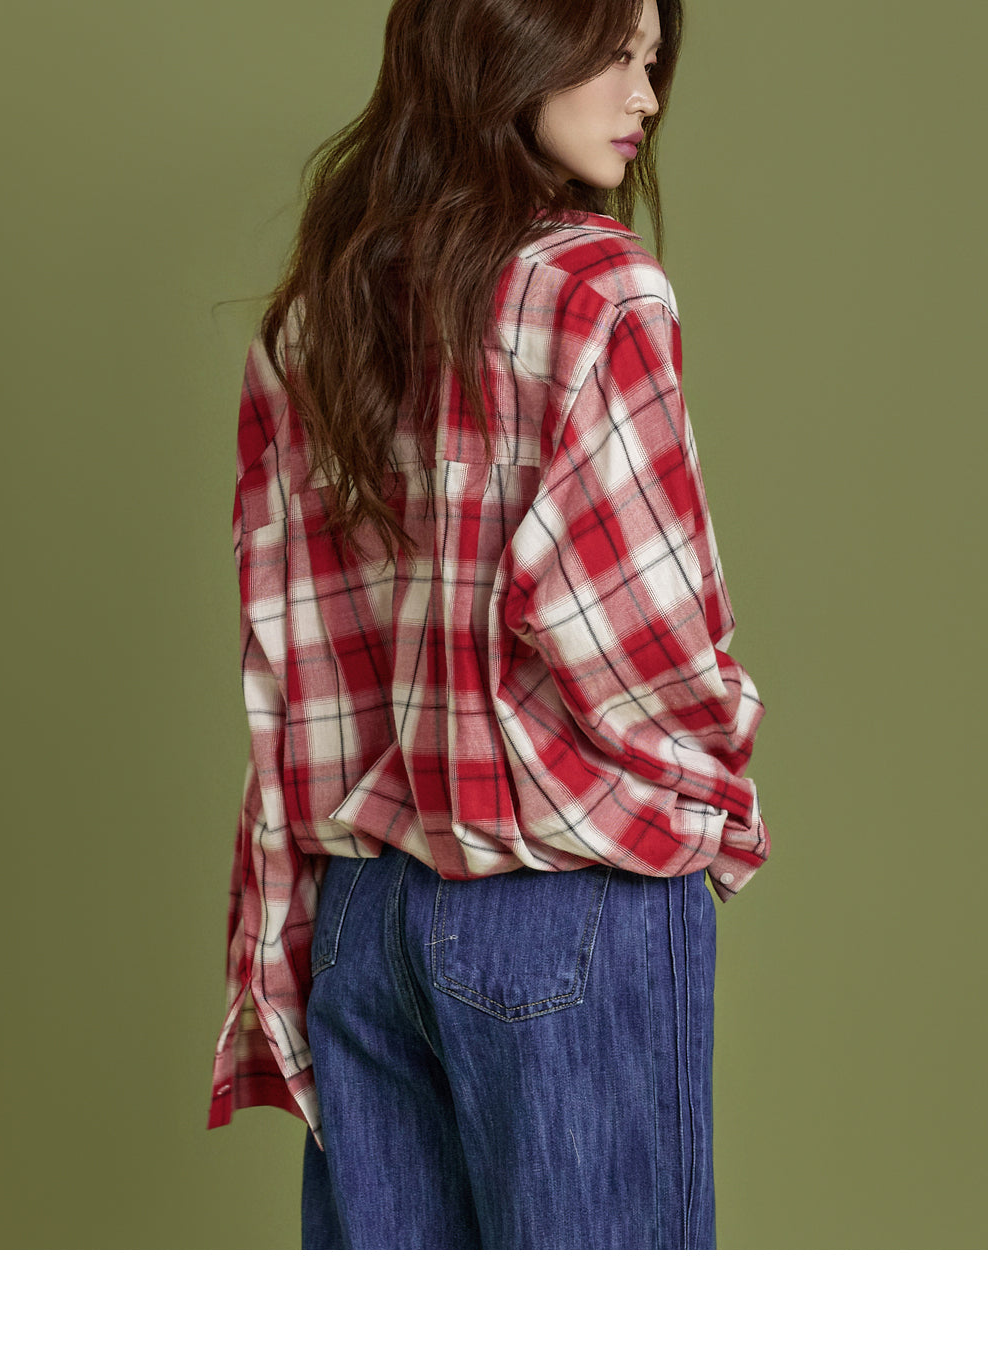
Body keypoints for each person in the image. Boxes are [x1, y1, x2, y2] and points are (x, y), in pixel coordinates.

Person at [208, 0, 770, 1250]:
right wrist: (721, 790)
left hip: (360, 915)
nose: (645, 97)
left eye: (651, 62)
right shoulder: (595, 290)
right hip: (559, 901)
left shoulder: (318, 312)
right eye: (615, 55)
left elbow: (287, 654)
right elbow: (644, 636)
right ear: (504, 46)